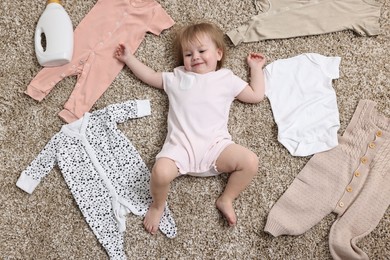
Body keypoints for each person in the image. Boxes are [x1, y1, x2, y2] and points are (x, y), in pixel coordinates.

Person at [114, 22, 266, 235]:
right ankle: (158, 205)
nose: (195, 57)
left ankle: (226, 198)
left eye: (202, 51)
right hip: (180, 148)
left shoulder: (227, 79)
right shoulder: (177, 77)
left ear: (219, 53)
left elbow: (256, 95)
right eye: (188, 54)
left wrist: (256, 69)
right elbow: (150, 76)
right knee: (159, 173)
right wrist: (129, 59)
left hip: (216, 147)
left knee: (250, 161)